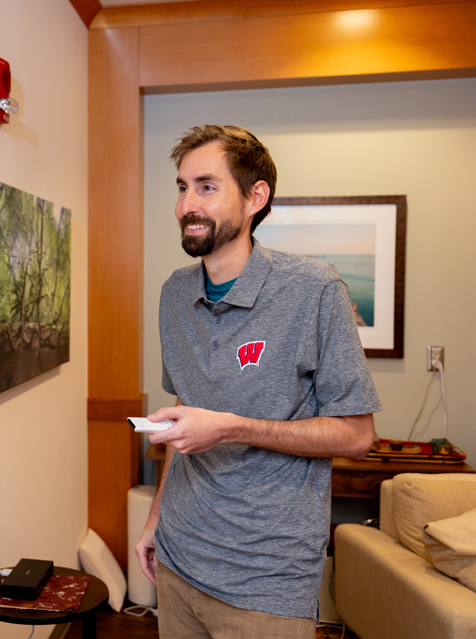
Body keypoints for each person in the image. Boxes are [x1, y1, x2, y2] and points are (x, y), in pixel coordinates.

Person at [135, 125, 381, 638]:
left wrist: (230, 428)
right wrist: (157, 518)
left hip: (266, 581)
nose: (186, 205)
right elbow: (187, 409)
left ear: (255, 197)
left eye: (206, 186)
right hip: (179, 560)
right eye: (182, 188)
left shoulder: (314, 290)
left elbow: (357, 436)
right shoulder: (174, 294)